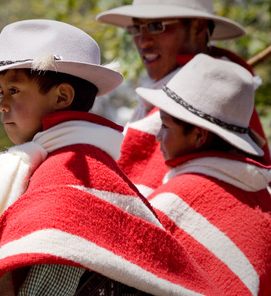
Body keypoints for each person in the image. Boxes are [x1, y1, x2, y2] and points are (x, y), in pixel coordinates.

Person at [0, 20, 229, 296]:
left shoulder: (65, 178)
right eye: (1, 93)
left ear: (61, 98)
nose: (2, 105)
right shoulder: (78, 163)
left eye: (13, 89)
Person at [96, 0, 270, 197]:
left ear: (198, 28)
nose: (143, 41)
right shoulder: (161, 97)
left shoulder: (219, 100)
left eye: (156, 26)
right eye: (137, 28)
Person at [135, 54, 271, 296]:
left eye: (165, 127)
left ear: (199, 136)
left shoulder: (178, 200)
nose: (157, 138)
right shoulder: (262, 197)